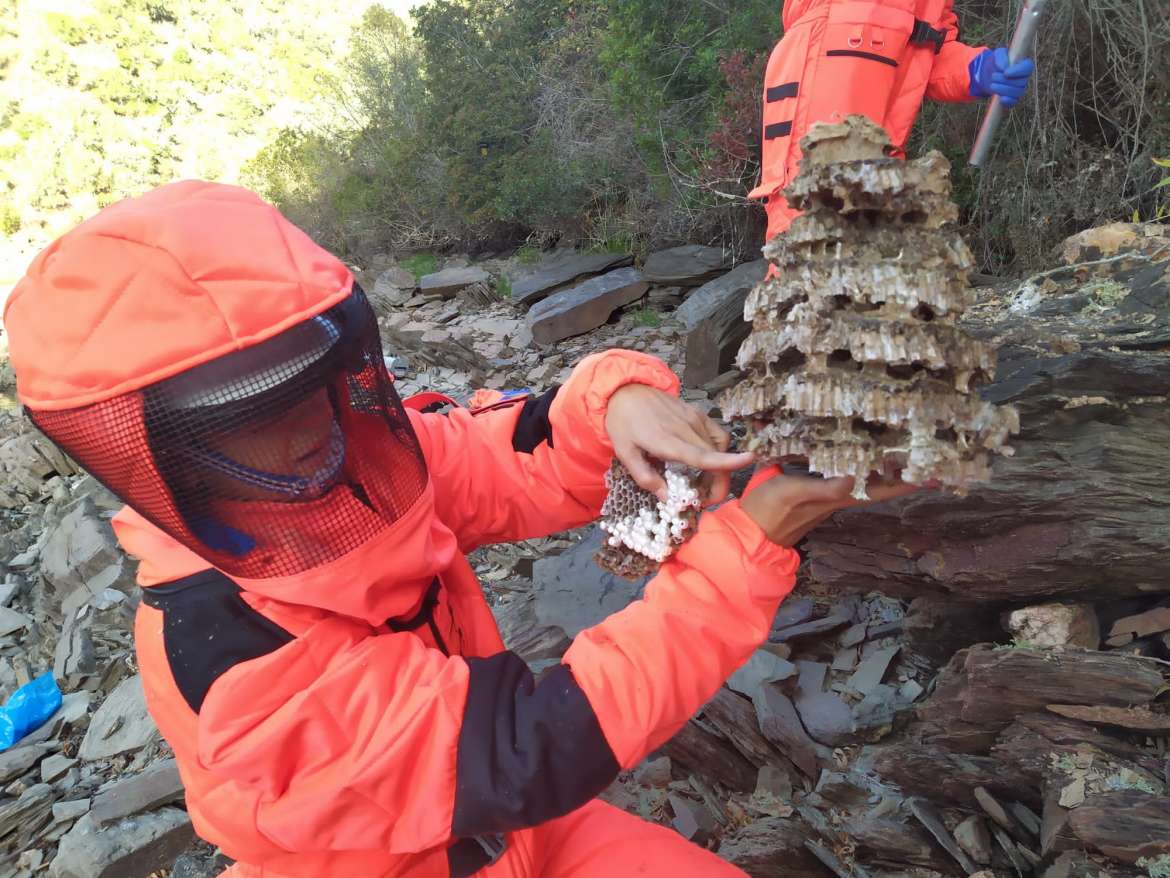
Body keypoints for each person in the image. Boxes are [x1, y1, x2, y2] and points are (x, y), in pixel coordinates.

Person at [4, 181, 917, 877]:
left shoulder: (367, 459)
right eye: (245, 418)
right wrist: (759, 533)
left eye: (312, 386)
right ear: (161, 450)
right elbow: (532, 748)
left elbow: (519, 454)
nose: (307, 431)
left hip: (521, 829)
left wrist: (622, 404)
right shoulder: (225, 656)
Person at [751, 0, 1036, 247]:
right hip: (826, 69)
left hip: (879, 124)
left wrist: (975, 69)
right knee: (812, 231)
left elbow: (927, 49)